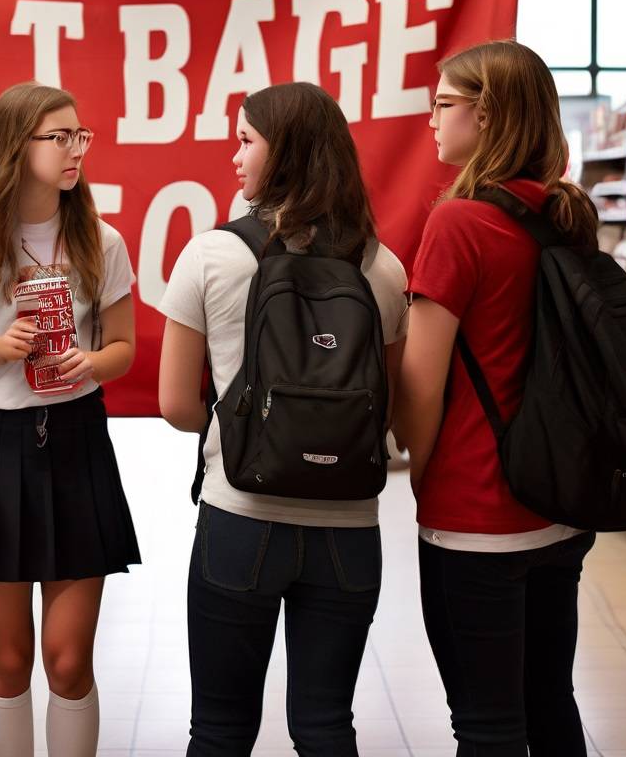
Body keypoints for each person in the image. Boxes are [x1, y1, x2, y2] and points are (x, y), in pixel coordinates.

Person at [157, 81, 409, 757]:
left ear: (285, 150)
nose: (233, 155)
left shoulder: (211, 256)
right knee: (326, 725)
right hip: (349, 528)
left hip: (241, 515)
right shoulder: (382, 269)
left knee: (219, 728)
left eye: (245, 140)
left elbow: (177, 406)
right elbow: (396, 411)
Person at [392, 40, 599, 756]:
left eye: (444, 106)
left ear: (489, 115)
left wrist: (421, 473)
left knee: (485, 723)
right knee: (550, 699)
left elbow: (421, 380)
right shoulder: (565, 213)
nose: (432, 123)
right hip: (559, 502)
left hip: (475, 512)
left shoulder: (459, 222)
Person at [0, 82, 139, 757]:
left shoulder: (101, 239)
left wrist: (92, 363)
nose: (76, 150)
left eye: (81, 136)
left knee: (70, 663)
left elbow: (126, 349)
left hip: (78, 442)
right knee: (10, 662)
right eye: (60, 137)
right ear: (18, 146)